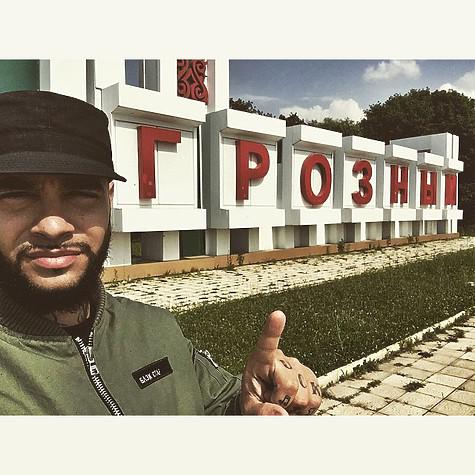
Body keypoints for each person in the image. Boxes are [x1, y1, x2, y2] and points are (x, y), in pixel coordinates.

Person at [0, 90, 322, 415]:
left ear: (109, 198)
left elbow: (217, 404)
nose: (53, 226)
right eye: (15, 194)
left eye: (80, 193)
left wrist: (250, 406)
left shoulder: (155, 328)